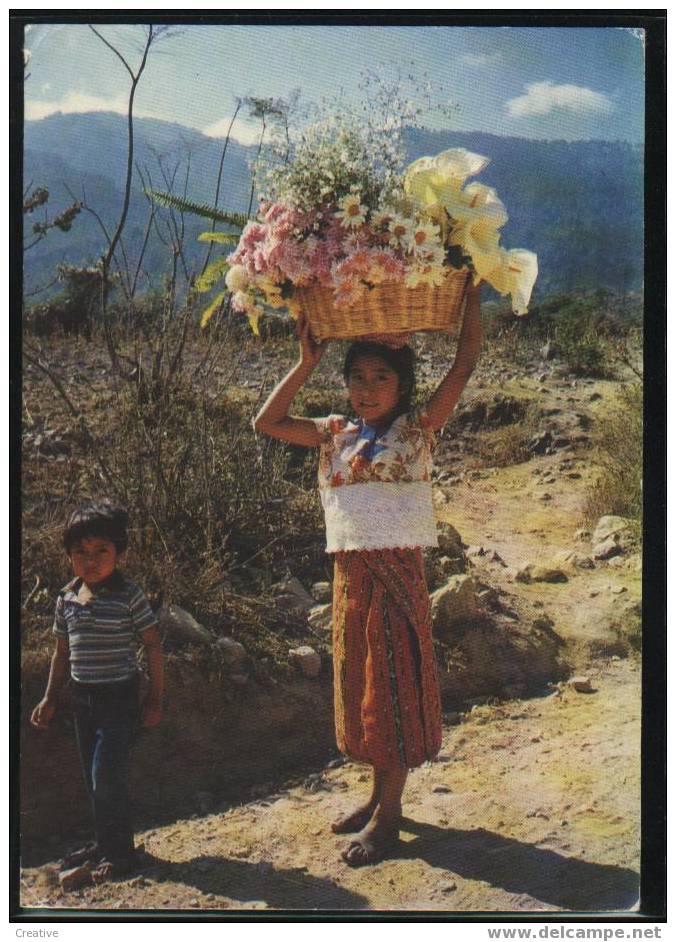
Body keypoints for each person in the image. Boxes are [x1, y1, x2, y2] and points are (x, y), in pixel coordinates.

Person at [254, 283, 482, 866]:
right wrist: (306, 361)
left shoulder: (420, 429)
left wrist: (471, 295)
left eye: (382, 378)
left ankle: (390, 812)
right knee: (362, 686)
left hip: (396, 571)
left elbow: (465, 363)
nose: (368, 390)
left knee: (393, 684)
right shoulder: (334, 434)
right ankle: (379, 794)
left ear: (403, 385)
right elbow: (267, 420)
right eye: (358, 378)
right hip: (351, 574)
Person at [30, 499, 164, 882]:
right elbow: (61, 652)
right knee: (94, 778)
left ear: (118, 552)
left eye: (101, 551)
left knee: (107, 776)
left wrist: (154, 698)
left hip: (119, 698)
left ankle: (122, 855)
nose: (90, 561)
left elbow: (153, 645)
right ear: (69, 556)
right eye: (80, 552)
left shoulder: (128, 596)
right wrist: (50, 696)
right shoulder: (67, 598)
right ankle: (106, 844)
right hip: (82, 700)